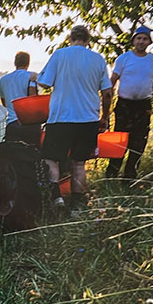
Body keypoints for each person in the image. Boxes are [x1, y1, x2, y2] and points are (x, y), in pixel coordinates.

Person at [38, 25, 113, 213]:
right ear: (88, 40)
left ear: (70, 38)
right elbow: (108, 93)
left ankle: (56, 196)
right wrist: (104, 117)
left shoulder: (59, 55)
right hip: (88, 119)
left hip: (60, 119)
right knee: (79, 163)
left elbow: (44, 82)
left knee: (51, 158)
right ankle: (77, 208)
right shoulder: (98, 59)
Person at [105, 26, 153, 180]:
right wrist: (105, 107)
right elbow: (111, 83)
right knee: (120, 142)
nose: (141, 41)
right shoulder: (124, 59)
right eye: (138, 38)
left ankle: (130, 177)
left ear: (149, 42)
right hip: (124, 106)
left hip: (143, 106)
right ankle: (111, 176)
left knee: (139, 143)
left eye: (144, 39)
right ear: (133, 41)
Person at [0, 51, 41, 145]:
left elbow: (4, 103)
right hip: (30, 124)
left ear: (15, 63)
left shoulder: (3, 80)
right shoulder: (31, 77)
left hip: (12, 123)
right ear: (28, 63)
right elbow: (33, 98)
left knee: (12, 154)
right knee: (33, 153)